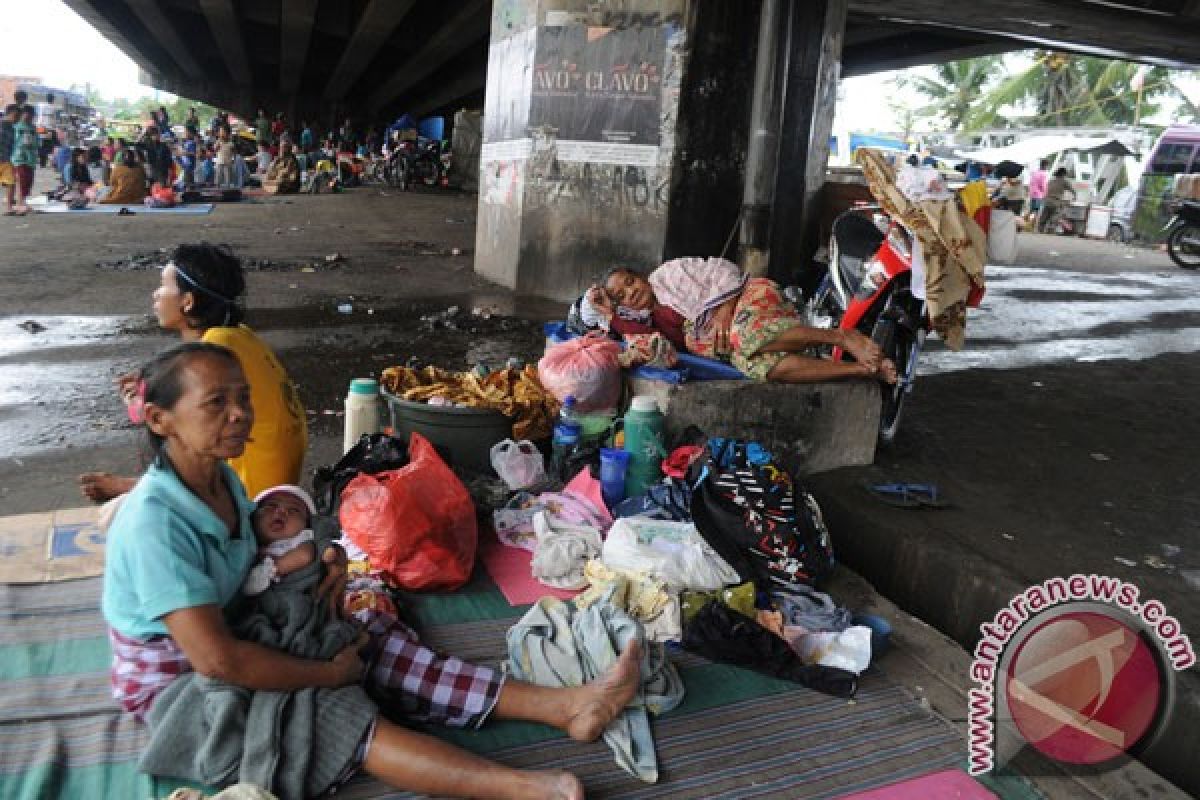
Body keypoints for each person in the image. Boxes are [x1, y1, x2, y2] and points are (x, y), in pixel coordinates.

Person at [101, 341, 642, 799]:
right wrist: (324, 675)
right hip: (179, 682)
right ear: (158, 419)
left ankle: (568, 707)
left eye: (242, 398)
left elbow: (260, 560)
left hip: (241, 623)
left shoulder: (222, 480)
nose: (240, 414)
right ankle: (528, 789)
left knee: (370, 632)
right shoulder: (156, 525)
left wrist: (324, 569)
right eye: (216, 403)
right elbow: (217, 661)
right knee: (331, 712)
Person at [81, 243, 308, 500]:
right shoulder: (237, 334)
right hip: (279, 480)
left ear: (187, 301)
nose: (156, 294)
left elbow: (163, 416)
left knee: (183, 426)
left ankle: (149, 488)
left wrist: (139, 401)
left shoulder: (215, 346)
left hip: (252, 494)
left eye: (163, 285)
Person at [585, 259, 896, 383]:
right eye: (620, 295)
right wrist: (608, 314)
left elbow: (725, 270)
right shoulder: (644, 320)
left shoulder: (670, 274)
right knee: (758, 367)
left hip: (749, 295)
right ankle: (861, 370)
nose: (630, 292)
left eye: (630, 282)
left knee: (741, 338)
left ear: (640, 276)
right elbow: (645, 343)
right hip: (735, 335)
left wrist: (724, 307)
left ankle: (843, 337)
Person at [242, 484, 319, 596]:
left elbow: (305, 555)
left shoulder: (300, 538)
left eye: (294, 510)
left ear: (306, 524)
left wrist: (275, 567)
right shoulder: (247, 543)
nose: (281, 512)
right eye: (271, 505)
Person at [10, 107, 38, 215]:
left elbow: (37, 142)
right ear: (22, 114)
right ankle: (20, 203)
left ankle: (24, 201)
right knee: (21, 180)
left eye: (31, 116)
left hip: (31, 158)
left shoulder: (33, 128)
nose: (29, 118)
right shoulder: (16, 127)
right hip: (19, 158)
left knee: (28, 181)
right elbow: (13, 142)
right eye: (27, 115)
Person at [1037, 167, 1075, 234]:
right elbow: (1072, 190)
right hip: (1056, 202)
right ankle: (1050, 230)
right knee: (1056, 216)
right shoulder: (1064, 181)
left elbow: (1046, 190)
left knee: (1044, 216)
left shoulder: (1051, 181)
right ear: (1063, 174)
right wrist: (1074, 196)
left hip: (1047, 200)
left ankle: (1040, 230)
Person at [1, 105, 16, 215]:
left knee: (11, 182)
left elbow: (12, 145)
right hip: (4, 158)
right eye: (16, 116)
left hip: (7, 160)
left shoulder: (12, 128)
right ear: (10, 113)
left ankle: (9, 208)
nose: (17, 118)